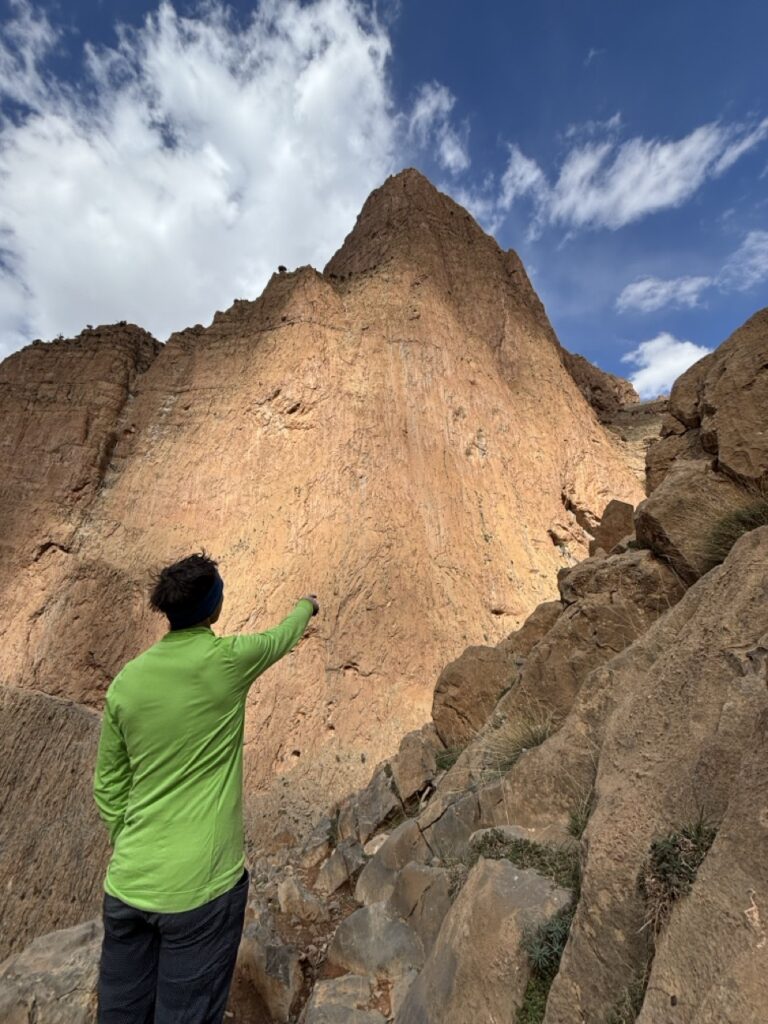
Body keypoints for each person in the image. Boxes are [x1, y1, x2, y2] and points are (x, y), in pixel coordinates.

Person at [93, 551, 318, 1023]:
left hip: (129, 885)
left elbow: (108, 787)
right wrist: (306, 606)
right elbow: (282, 637)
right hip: (202, 890)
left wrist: (130, 840)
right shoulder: (226, 663)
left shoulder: (126, 684)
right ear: (213, 607)